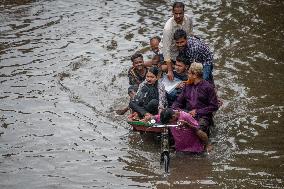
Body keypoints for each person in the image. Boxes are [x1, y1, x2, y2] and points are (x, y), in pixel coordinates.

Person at [172, 62, 219, 137]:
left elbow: (214, 106)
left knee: (197, 130)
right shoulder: (187, 86)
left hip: (203, 116)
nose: (188, 75)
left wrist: (197, 112)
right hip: (187, 113)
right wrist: (177, 110)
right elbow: (178, 102)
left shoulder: (208, 87)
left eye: (189, 73)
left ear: (195, 75)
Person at [162, 2, 193, 80]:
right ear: (172, 12)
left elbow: (190, 35)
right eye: (176, 13)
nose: (178, 16)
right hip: (171, 51)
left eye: (180, 13)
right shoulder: (168, 28)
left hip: (183, 49)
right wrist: (170, 71)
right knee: (174, 70)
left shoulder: (188, 19)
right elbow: (166, 50)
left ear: (184, 12)